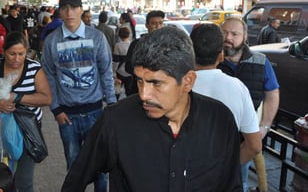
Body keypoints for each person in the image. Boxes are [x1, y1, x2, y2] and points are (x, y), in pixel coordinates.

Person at [61, 26, 242, 192]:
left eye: (156, 83)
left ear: (187, 81)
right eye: (140, 80)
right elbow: (75, 181)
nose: (143, 94)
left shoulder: (220, 121)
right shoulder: (116, 121)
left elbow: (231, 185)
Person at [41, 0, 116, 192]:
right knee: (74, 167)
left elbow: (106, 71)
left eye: (74, 7)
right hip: (67, 116)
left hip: (95, 113)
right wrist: (55, 109)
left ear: (81, 9)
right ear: (59, 11)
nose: (69, 12)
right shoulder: (52, 41)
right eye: (64, 8)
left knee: (101, 166)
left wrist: (111, 105)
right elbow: (48, 75)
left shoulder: (97, 37)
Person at [0, 31, 52, 192]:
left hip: (27, 132)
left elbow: (46, 98)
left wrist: (15, 97)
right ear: (3, 52)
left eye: (21, 54)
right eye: (12, 54)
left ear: (27, 51)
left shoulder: (34, 68)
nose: (16, 59)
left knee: (24, 181)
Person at [218, 17, 280, 192]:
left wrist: (264, 126)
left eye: (234, 34)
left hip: (243, 139)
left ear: (245, 37)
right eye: (224, 33)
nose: (228, 38)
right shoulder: (211, 61)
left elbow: (272, 94)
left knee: (239, 182)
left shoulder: (261, 62)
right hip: (213, 135)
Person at [190, 23, 262, 165]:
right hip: (223, 176)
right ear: (221, 56)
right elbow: (254, 146)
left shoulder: (177, 86)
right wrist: (228, 169)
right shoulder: (238, 88)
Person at [124, 10, 164, 95]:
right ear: (147, 25)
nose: (158, 26)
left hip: (161, 91)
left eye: (160, 23)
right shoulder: (137, 44)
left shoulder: (168, 46)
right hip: (139, 90)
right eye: (154, 23)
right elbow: (128, 67)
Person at [112, 27, 132, 99]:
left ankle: (115, 104)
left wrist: (114, 72)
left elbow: (116, 60)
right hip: (130, 72)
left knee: (117, 90)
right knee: (129, 92)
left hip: (120, 72)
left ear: (119, 35)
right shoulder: (132, 44)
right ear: (129, 35)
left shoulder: (118, 45)